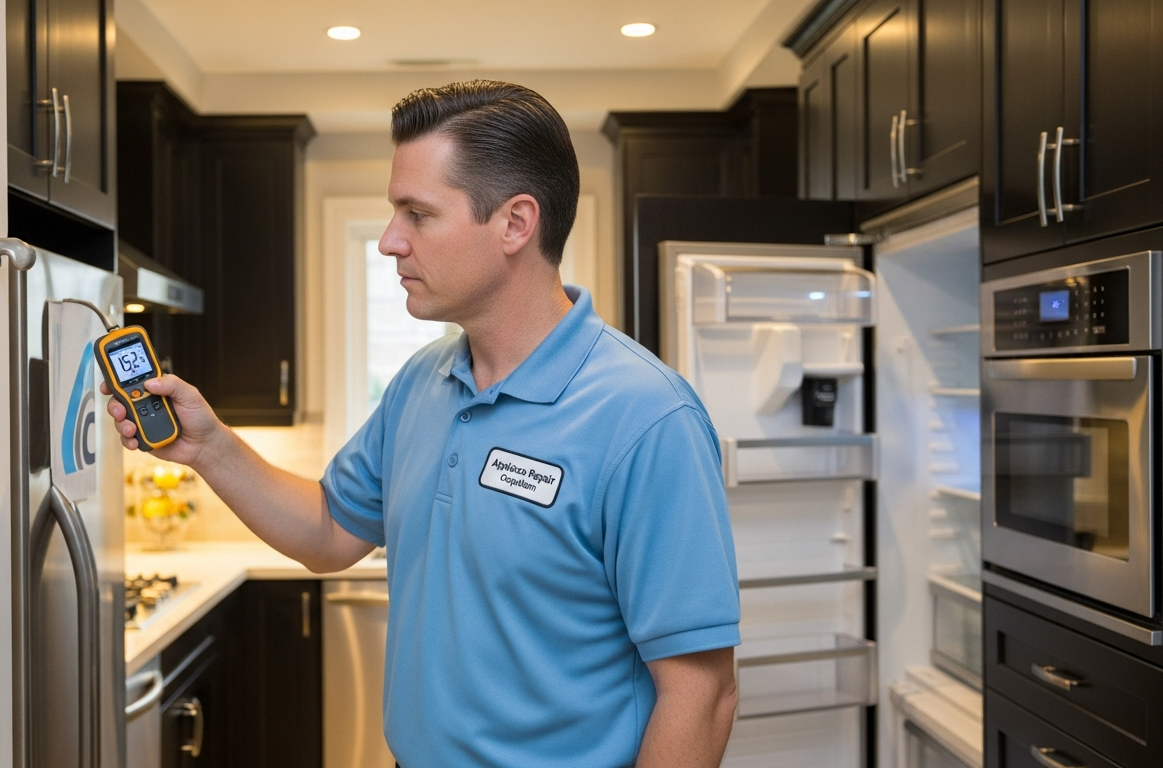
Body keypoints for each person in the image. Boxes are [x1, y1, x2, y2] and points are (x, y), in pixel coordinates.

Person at [104, 80, 740, 768]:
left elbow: (700, 695)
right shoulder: (422, 381)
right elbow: (329, 530)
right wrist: (212, 449)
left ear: (515, 224)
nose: (388, 242)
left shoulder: (647, 417)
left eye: (418, 214)